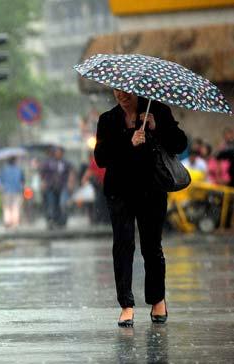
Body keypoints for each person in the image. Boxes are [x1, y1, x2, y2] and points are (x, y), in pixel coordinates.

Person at [94, 89, 187, 327]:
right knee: (123, 246)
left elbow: (180, 143)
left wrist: (158, 127)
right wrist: (128, 140)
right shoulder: (108, 119)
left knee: (151, 247)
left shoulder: (157, 111)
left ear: (137, 90)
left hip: (151, 190)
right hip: (119, 192)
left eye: (126, 91)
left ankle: (157, 300)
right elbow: (101, 157)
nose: (121, 95)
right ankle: (126, 305)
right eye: (116, 91)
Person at [39, 146, 72, 228]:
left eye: (59, 153)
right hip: (50, 186)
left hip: (62, 186)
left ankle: (62, 220)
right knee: (51, 204)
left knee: (62, 203)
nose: (57, 154)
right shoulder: (48, 162)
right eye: (56, 153)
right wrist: (43, 182)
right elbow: (42, 173)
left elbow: (71, 172)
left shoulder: (65, 163)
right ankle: (51, 220)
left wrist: (70, 182)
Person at [0, 157, 25, 228]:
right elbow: (22, 180)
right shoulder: (19, 170)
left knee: (6, 207)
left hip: (6, 191)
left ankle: (7, 221)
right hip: (17, 190)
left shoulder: (4, 170)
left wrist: (1, 187)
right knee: (15, 207)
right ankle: (15, 222)